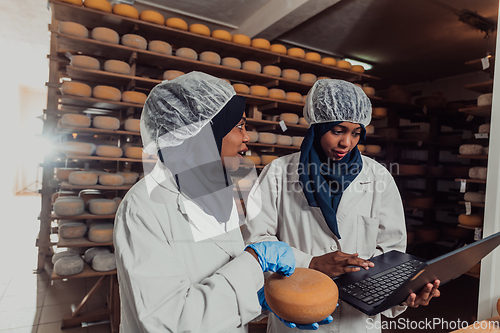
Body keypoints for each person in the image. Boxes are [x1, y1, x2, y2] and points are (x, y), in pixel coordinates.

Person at [243, 79, 441, 333]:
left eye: (355, 133)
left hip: (357, 321)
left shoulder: (378, 176)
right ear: (318, 126)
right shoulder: (278, 173)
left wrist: (402, 293)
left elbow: (391, 251)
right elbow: (258, 240)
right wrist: (310, 263)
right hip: (297, 312)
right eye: (338, 130)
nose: (347, 142)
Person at [114, 72, 301, 332]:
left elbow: (224, 273)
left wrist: (259, 299)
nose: (247, 138)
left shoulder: (216, 189)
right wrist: (253, 263)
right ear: (202, 133)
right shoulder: (143, 207)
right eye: (238, 126)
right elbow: (169, 322)